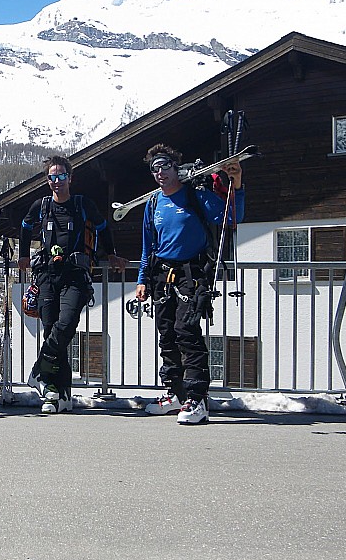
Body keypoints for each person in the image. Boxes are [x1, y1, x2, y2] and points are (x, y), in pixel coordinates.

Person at [135, 144, 245, 424]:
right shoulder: (153, 204)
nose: (160, 172)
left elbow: (231, 216)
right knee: (167, 334)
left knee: (187, 332)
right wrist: (142, 280)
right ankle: (175, 393)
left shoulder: (195, 196)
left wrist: (238, 184)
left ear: (175, 168)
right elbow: (148, 247)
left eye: (164, 166)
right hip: (162, 276)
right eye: (154, 168)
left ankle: (197, 399)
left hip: (192, 274)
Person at [18, 155, 127, 414]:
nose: (57, 181)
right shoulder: (41, 206)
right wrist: (23, 254)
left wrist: (110, 254)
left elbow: (103, 226)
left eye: (62, 176)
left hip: (75, 275)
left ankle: (40, 371)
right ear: (48, 181)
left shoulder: (82, 204)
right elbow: (25, 225)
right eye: (52, 177)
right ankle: (58, 395)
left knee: (65, 325)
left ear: (70, 178)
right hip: (46, 276)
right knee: (53, 332)